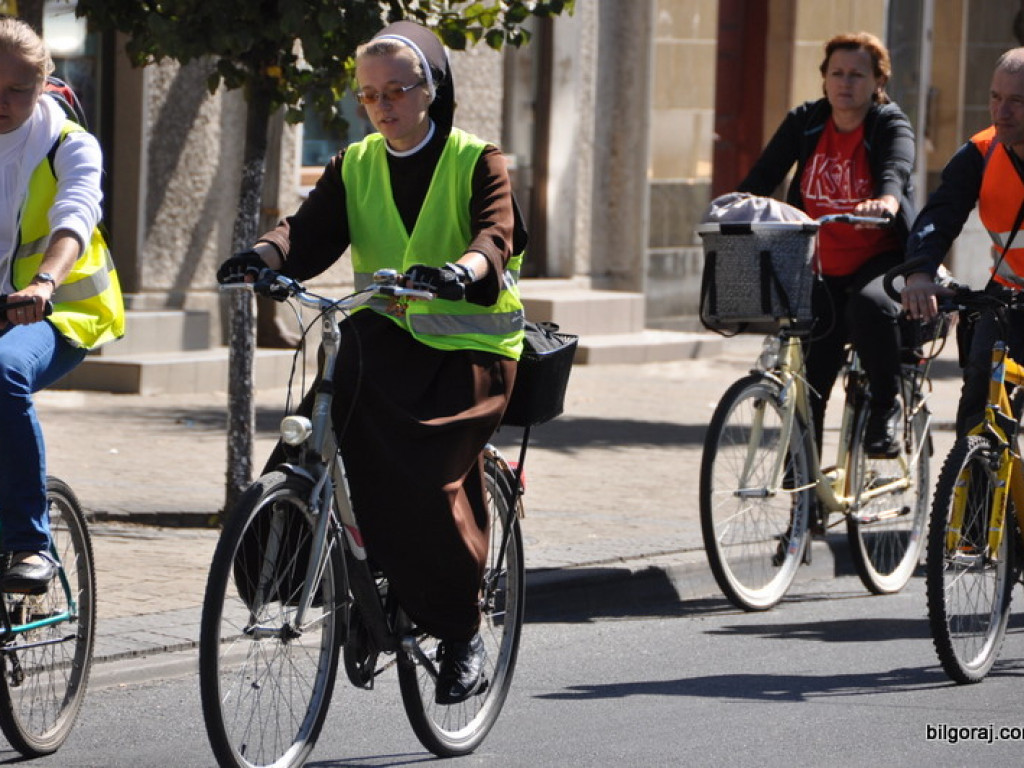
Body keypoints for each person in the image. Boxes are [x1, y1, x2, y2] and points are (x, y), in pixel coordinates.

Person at [216, 20, 526, 705]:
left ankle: (459, 630)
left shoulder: (479, 159)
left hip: (471, 352)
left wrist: (460, 270)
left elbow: (496, 237)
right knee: (312, 437)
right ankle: (308, 569)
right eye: (368, 96)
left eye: (397, 91)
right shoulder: (355, 164)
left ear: (431, 89)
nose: (382, 106)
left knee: (422, 477)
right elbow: (308, 229)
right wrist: (260, 257)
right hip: (385, 342)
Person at [737, 31, 916, 460]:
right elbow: (764, 176)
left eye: (857, 74)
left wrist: (887, 200)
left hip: (879, 256)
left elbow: (896, 166)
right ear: (824, 79)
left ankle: (885, 406)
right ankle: (805, 494)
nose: (845, 82)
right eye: (837, 73)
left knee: (869, 307)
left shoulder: (888, 123)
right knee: (810, 377)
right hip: (819, 263)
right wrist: (734, 207)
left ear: (878, 81)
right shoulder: (806, 121)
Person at [0, 18, 124, 593]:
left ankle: (31, 542)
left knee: (3, 373)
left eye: (17, 89)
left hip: (57, 311)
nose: (2, 102)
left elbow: (75, 215)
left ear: (44, 83)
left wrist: (45, 281)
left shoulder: (68, 143)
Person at [901, 47, 1024, 437]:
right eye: (995, 97)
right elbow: (941, 213)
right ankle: (976, 492)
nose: (1001, 112)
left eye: (1017, 102)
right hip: (1009, 298)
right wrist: (920, 271)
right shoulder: (981, 152)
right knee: (979, 408)